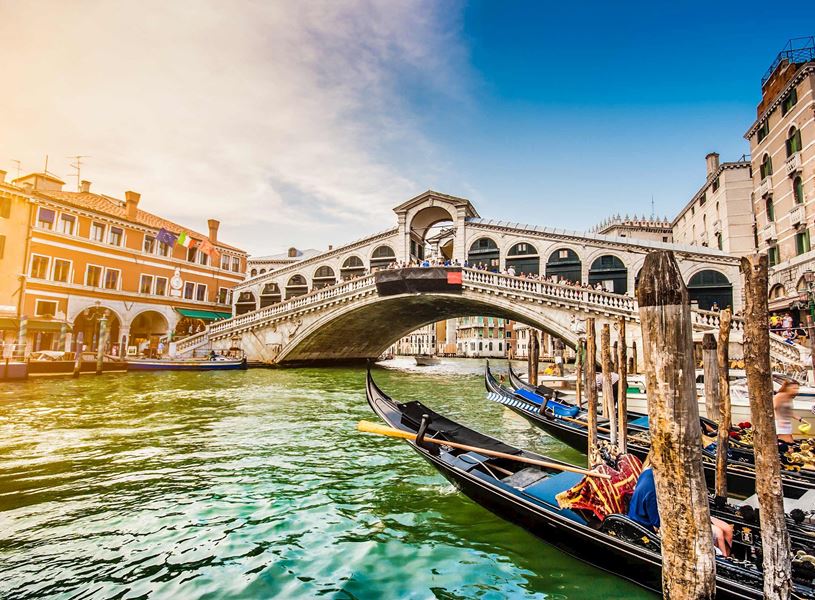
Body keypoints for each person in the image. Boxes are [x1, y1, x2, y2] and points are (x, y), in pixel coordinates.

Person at [628, 461, 733, 556]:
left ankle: (724, 559)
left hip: (678, 516)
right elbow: (658, 525)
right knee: (719, 533)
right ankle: (722, 560)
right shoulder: (654, 487)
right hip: (649, 530)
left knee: (727, 529)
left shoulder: (649, 473)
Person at [774, 380, 802, 444]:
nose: (796, 390)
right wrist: (780, 420)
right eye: (794, 388)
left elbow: (788, 412)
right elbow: (774, 408)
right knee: (790, 444)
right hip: (780, 424)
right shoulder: (780, 396)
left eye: (797, 388)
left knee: (787, 444)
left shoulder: (789, 397)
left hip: (786, 423)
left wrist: (799, 418)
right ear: (787, 388)